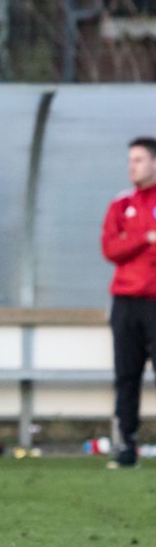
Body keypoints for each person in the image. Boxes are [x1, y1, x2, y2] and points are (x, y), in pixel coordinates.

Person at [101, 136, 156, 469]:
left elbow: (125, 248)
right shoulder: (121, 204)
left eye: (138, 160)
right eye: (129, 160)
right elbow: (111, 249)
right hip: (125, 302)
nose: (131, 166)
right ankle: (127, 444)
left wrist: (130, 242)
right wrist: (145, 238)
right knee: (126, 375)